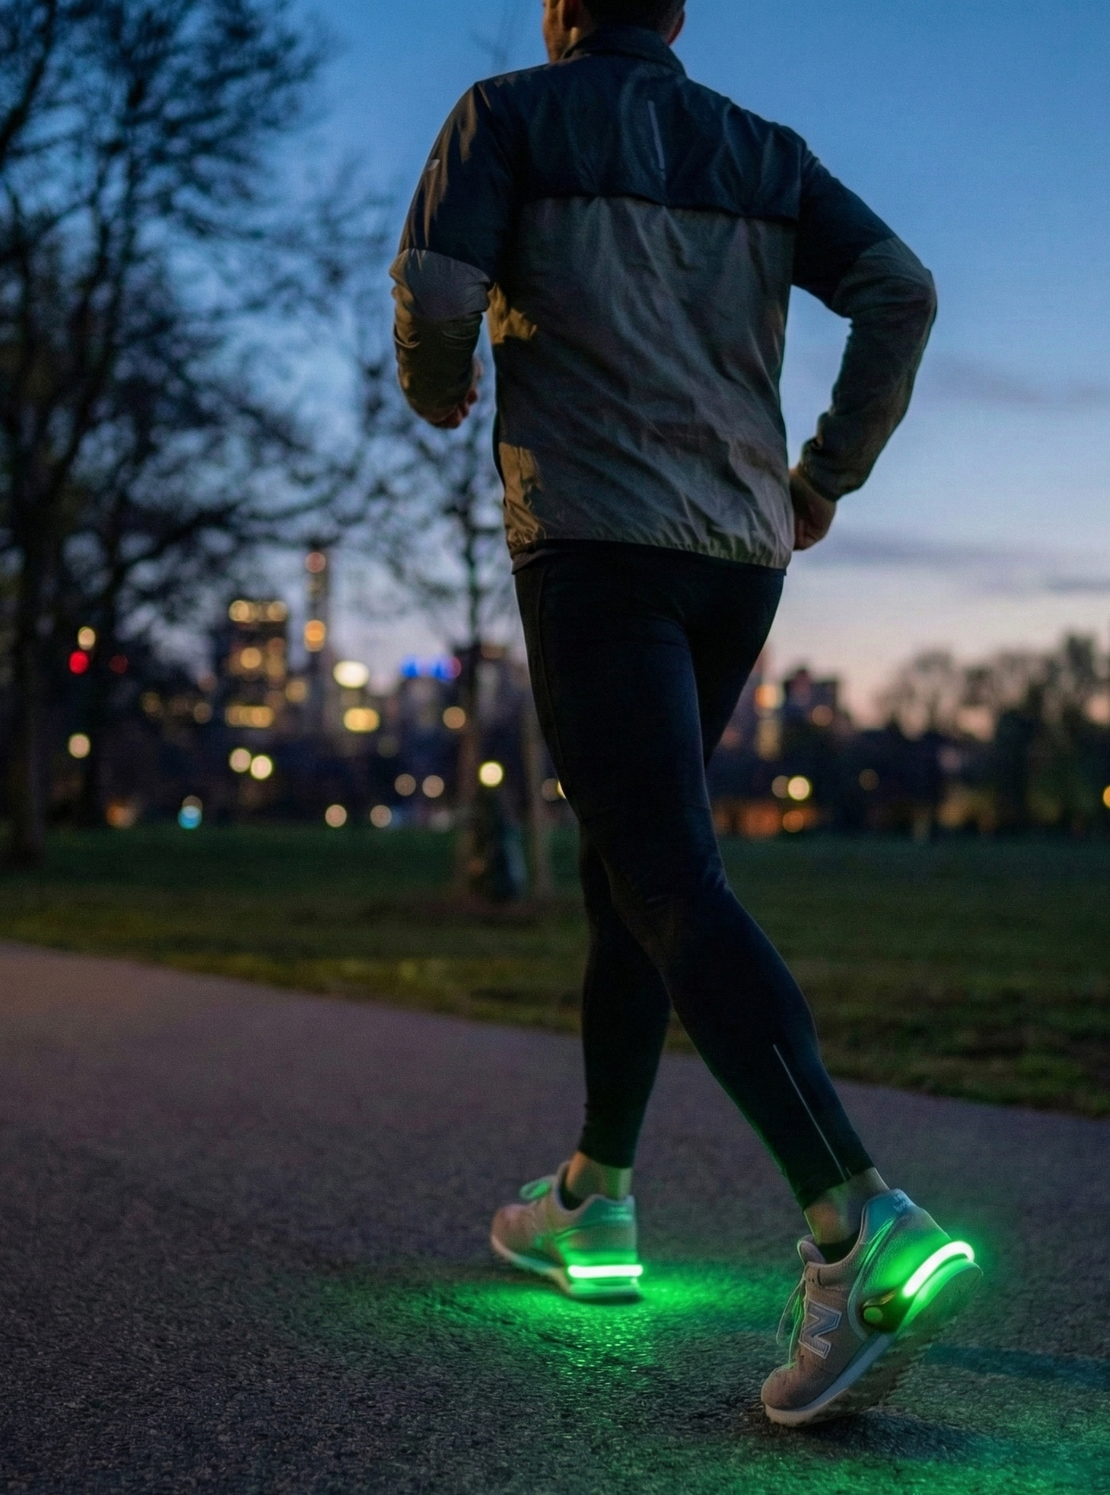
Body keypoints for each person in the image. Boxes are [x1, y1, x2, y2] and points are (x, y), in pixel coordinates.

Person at [391, 0, 981, 1427]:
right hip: (736, 554)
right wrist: (824, 474)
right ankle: (594, 1197)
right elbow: (902, 288)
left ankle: (857, 1218)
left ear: (561, 8)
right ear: (675, 12)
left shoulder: (509, 115)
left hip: (595, 541)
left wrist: (438, 379)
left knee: (662, 870)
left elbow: (435, 288)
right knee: (628, 870)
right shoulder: (764, 150)